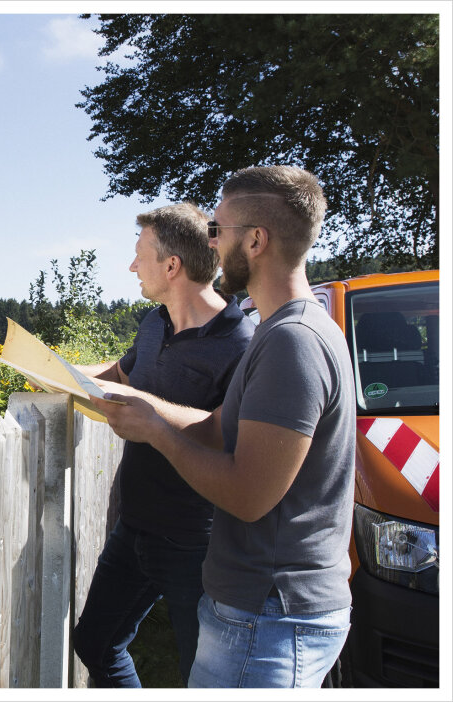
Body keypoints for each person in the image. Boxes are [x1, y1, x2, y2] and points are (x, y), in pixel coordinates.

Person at [88, 165, 355, 688]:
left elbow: (248, 494)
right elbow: (218, 427)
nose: (209, 242)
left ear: (255, 240)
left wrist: (157, 432)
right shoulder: (289, 329)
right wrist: (133, 403)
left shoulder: (290, 342)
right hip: (261, 612)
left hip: (269, 615)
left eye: (218, 229)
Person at [71, 202, 254, 687]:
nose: (132, 266)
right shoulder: (154, 324)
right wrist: (53, 373)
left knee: (202, 673)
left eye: (139, 255)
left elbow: (228, 431)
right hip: (133, 526)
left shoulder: (241, 343)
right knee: (94, 643)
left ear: (171, 266)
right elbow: (118, 377)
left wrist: (146, 409)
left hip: (195, 539)